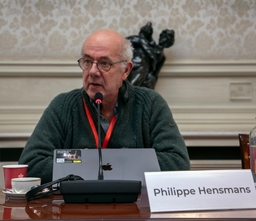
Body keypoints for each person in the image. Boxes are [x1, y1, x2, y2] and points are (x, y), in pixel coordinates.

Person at [18, 29, 190, 184]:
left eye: (104, 63)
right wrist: (83, 162)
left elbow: (177, 163)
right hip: (75, 212)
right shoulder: (63, 106)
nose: (92, 71)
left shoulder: (150, 104)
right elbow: (31, 165)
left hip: (135, 211)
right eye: (87, 62)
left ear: (126, 70)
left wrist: (98, 162)